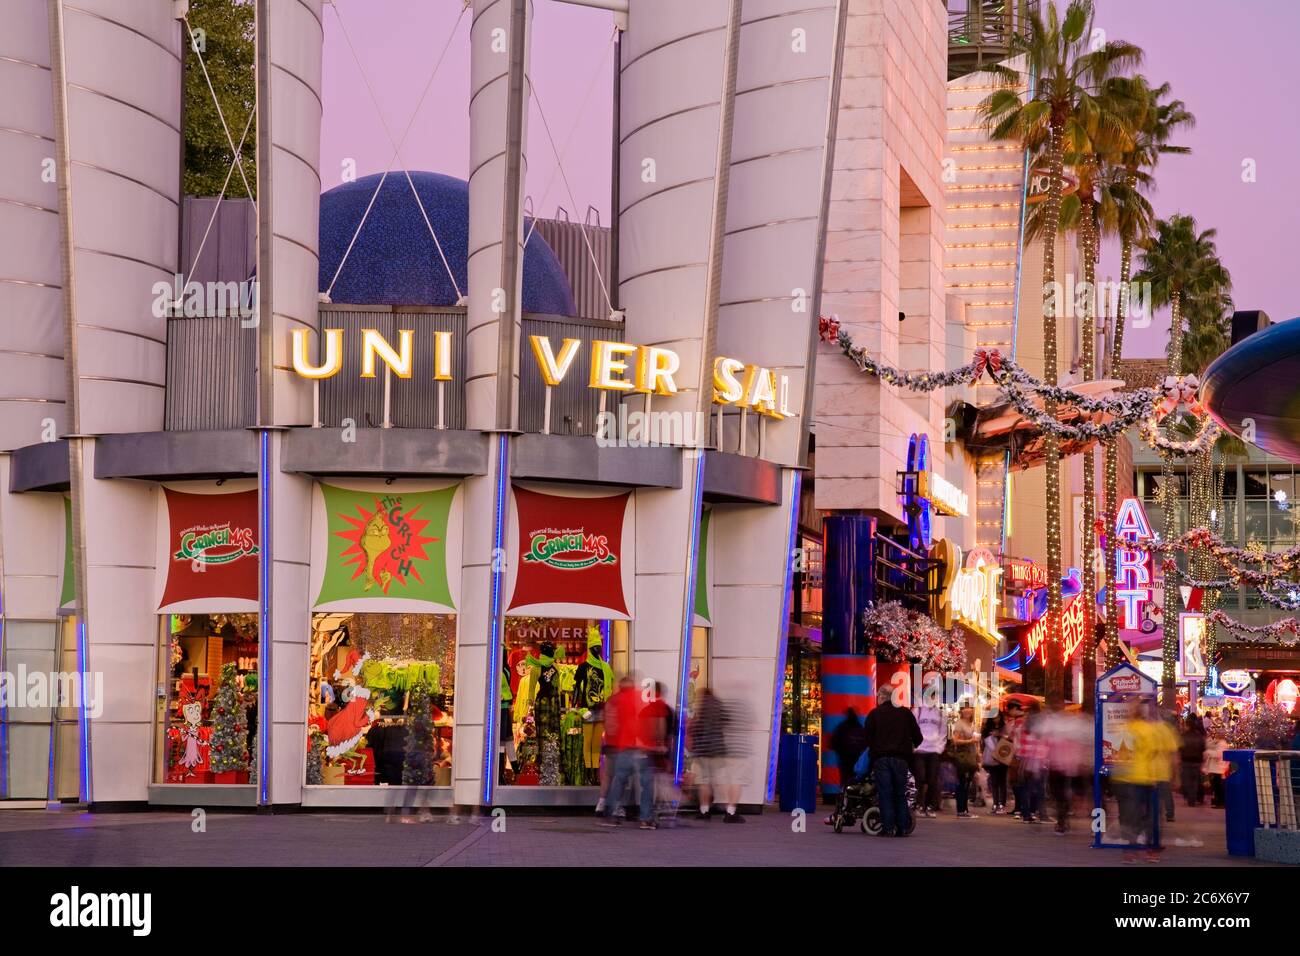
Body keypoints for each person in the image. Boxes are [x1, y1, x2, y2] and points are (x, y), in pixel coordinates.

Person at [1112, 701, 1179, 863]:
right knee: (1151, 816)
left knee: (1132, 816)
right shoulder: (1149, 729)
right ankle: (1150, 849)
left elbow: (1119, 754)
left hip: (1132, 778)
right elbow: (1159, 754)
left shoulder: (1126, 729)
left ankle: (1132, 850)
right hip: (1147, 778)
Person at [862, 684, 923, 837]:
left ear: (882, 697)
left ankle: (888, 827)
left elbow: (867, 738)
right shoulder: (906, 714)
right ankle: (902, 827)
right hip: (901, 760)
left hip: (881, 759)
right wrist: (909, 745)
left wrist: (876, 747)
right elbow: (918, 738)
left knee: (885, 793)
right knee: (900, 793)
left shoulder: (874, 714)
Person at [601, 675, 656, 829]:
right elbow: (645, 721)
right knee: (646, 783)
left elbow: (609, 723)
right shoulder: (638, 697)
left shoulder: (613, 700)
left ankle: (610, 814)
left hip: (621, 747)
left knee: (618, 781)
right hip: (639, 747)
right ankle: (645, 818)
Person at [690, 687, 743, 823]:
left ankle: (704, 811)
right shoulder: (719, 706)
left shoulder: (701, 708)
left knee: (704, 782)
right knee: (721, 781)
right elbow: (727, 721)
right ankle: (730, 812)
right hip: (717, 751)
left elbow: (695, 729)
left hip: (702, 751)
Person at [913, 699, 946, 818]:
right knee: (920, 779)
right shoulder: (918, 710)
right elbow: (913, 728)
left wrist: (939, 748)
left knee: (933, 780)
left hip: (934, 751)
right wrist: (914, 746)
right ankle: (919, 805)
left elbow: (943, 732)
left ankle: (929, 806)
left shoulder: (940, 713)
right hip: (920, 750)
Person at [951, 703, 981, 818]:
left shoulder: (971, 724)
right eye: (965, 708)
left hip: (971, 756)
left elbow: (975, 741)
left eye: (970, 708)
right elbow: (955, 741)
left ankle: (964, 810)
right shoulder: (959, 724)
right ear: (961, 711)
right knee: (962, 783)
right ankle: (961, 810)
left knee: (967, 783)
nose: (968, 710)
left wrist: (978, 755)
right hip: (963, 757)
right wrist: (970, 741)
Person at [830, 708, 868, 787]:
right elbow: (865, 743)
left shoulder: (842, 727)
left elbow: (834, 741)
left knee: (845, 777)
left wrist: (839, 751)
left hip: (844, 758)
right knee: (855, 777)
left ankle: (844, 792)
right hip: (856, 758)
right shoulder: (860, 727)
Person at [982, 712, 1010, 814]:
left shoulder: (1004, 727)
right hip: (992, 758)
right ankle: (995, 804)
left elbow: (1009, 739)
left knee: (1002, 782)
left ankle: (1002, 804)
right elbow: (985, 741)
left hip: (1003, 757)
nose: (995, 719)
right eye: (993, 717)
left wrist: (1000, 735)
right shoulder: (987, 729)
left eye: (997, 717)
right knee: (994, 782)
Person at [1179, 714, 1207, 806]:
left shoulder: (1183, 736)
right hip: (1196, 761)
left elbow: (1180, 748)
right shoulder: (1199, 736)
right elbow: (1203, 748)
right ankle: (1193, 799)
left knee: (1187, 780)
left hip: (1185, 760)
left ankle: (1189, 797)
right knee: (1195, 781)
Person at [1202, 725, 1227, 808]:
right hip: (1215, 768)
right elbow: (1209, 746)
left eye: (1218, 734)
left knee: (1218, 786)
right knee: (1216, 786)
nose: (1216, 735)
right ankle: (1217, 802)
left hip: (1218, 768)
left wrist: (1208, 752)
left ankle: (1220, 802)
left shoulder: (1222, 744)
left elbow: (1218, 754)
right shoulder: (1218, 742)